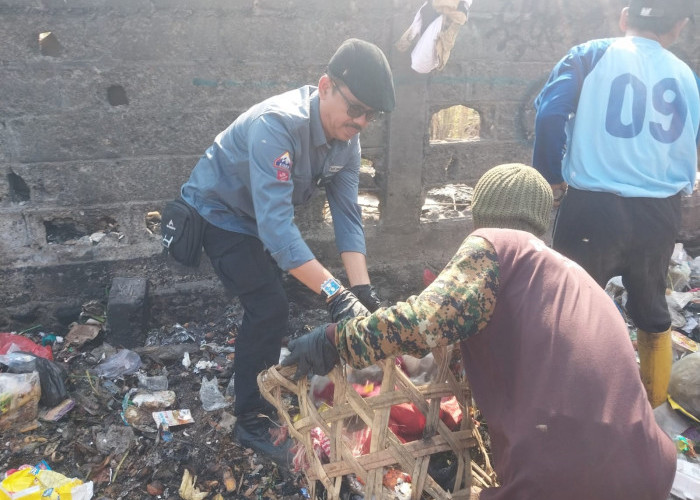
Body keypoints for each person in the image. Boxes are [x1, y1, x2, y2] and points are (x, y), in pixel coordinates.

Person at [282, 163, 677, 500]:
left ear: (478, 217)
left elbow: (425, 321)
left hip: (566, 480)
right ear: (543, 221)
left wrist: (337, 338)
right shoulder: (571, 276)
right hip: (649, 470)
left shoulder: (495, 244)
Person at [180, 38, 395, 463]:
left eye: (372, 115)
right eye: (355, 109)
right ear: (325, 86)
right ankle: (250, 421)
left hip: (258, 216)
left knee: (297, 292)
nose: (362, 121)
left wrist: (363, 292)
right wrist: (336, 295)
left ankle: (257, 378)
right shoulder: (277, 126)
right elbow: (278, 231)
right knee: (269, 306)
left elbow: (348, 218)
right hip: (219, 213)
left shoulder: (346, 142)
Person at [532, 0, 700, 408]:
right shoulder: (686, 77)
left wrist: (550, 177)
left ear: (624, 18)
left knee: (568, 309)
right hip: (659, 212)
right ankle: (652, 418)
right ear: (679, 27)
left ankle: (563, 412)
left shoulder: (589, 56)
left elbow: (549, 115)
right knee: (652, 313)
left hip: (592, 208)